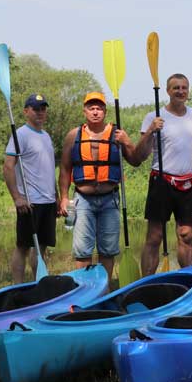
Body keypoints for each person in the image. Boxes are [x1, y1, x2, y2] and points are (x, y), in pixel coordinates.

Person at [133, 73, 192, 276]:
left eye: (184, 87)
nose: (181, 91)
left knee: (186, 235)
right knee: (155, 236)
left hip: (189, 184)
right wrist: (150, 131)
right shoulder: (153, 117)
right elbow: (139, 155)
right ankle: (146, 283)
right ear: (167, 91)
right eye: (176, 88)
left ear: (188, 90)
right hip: (161, 181)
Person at [58, 92, 137, 279]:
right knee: (82, 250)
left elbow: (135, 160)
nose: (95, 112)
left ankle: (104, 286)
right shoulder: (73, 135)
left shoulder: (117, 134)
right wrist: (63, 198)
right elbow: (64, 169)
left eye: (99, 108)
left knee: (108, 250)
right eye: (91, 108)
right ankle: (84, 288)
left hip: (110, 199)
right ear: (85, 111)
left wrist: (127, 141)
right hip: (83, 200)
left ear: (105, 111)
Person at [3, 94, 57, 283]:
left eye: (43, 108)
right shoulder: (21, 135)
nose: (40, 112)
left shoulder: (46, 135)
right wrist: (17, 197)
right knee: (23, 247)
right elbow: (8, 166)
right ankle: (16, 287)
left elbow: (49, 168)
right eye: (35, 109)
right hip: (30, 202)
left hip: (48, 201)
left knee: (41, 247)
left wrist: (56, 197)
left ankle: (38, 286)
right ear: (26, 111)